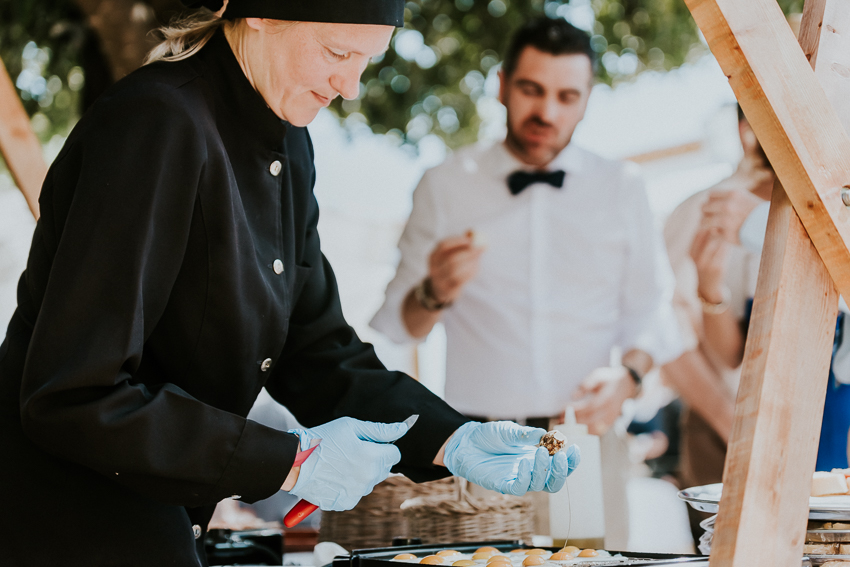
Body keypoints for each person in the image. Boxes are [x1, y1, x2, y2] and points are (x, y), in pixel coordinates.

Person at [0, 2, 580, 565]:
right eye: (336, 51)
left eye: (366, 61)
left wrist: (452, 439)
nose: (349, 85)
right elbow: (73, 394)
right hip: (62, 526)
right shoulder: (154, 121)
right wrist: (291, 461)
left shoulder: (290, 144)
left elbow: (318, 352)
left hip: (161, 516)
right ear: (261, 13)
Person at [370, 17, 681, 546]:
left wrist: (628, 377)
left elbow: (653, 312)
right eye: (532, 90)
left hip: (584, 441)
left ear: (586, 100)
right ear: (502, 85)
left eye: (567, 96)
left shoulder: (621, 187)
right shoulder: (444, 184)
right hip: (475, 445)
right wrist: (434, 292)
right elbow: (403, 324)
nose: (547, 112)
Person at [661, 105, 850, 544]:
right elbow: (730, 352)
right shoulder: (714, 208)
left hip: (833, 404)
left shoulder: (833, 200)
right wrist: (711, 287)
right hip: (755, 415)